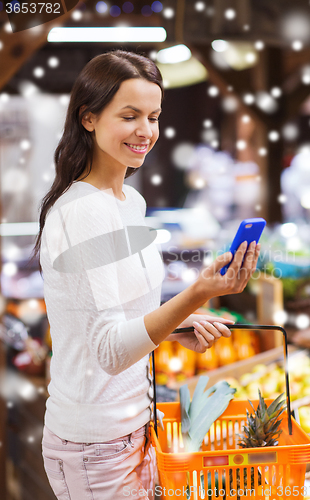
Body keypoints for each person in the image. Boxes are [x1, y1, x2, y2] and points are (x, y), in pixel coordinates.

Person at [30, 50, 260, 500]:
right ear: (89, 118)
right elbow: (110, 351)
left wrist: (177, 324)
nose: (146, 131)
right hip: (96, 442)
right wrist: (196, 295)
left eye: (153, 116)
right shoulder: (83, 212)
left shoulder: (128, 203)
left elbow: (117, 315)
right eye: (129, 115)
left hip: (134, 428)